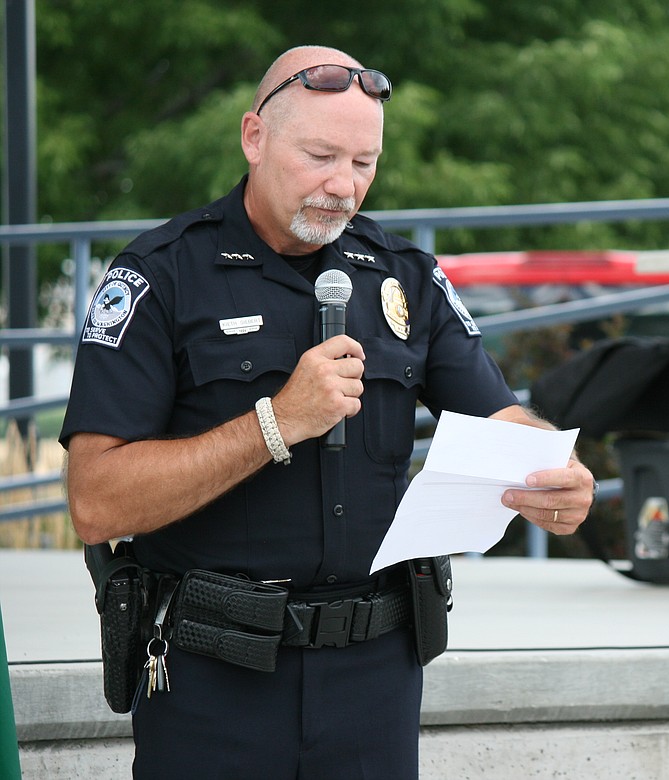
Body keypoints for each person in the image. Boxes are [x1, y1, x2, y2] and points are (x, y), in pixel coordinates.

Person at [60, 45, 595, 779]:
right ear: (255, 137)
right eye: (320, 156)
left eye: (364, 163)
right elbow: (96, 501)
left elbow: (497, 419)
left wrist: (556, 470)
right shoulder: (159, 277)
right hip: (214, 677)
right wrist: (273, 424)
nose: (343, 186)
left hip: (375, 675)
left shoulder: (405, 276)